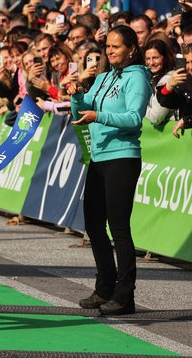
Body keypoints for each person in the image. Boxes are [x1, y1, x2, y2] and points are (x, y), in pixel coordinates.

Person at [68, 25, 151, 316]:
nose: (110, 51)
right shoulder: (103, 77)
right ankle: (104, 287)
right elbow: (81, 109)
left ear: (132, 49)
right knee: (93, 225)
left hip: (123, 158)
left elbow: (133, 118)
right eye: (108, 46)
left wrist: (98, 115)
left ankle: (124, 295)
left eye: (117, 46)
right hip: (99, 158)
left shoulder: (137, 76)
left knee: (119, 228)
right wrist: (77, 93)